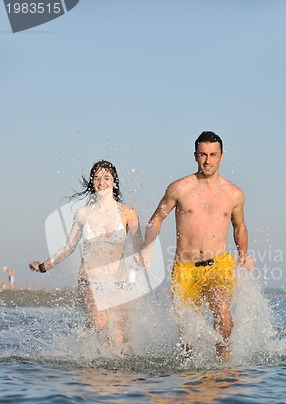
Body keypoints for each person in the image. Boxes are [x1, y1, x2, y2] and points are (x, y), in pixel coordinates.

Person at [140, 131, 254, 359]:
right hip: (185, 268)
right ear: (195, 156)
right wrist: (147, 247)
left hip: (219, 265)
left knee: (223, 317)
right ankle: (189, 379)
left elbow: (239, 227)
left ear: (222, 156)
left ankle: (223, 369)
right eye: (203, 154)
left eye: (213, 155)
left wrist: (243, 254)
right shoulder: (179, 188)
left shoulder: (234, 194)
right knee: (188, 337)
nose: (208, 160)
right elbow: (156, 219)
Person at [29, 160, 143, 347]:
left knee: (120, 335)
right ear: (92, 182)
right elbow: (69, 247)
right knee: (100, 320)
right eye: (97, 178)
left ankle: (116, 372)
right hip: (89, 279)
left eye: (106, 177)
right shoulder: (83, 213)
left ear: (114, 181)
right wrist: (43, 266)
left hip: (118, 280)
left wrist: (143, 259)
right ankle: (83, 353)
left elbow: (139, 244)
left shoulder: (128, 212)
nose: (102, 181)